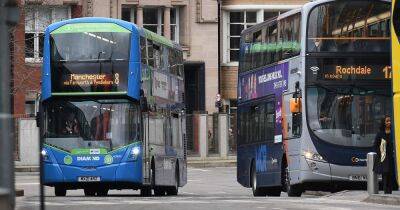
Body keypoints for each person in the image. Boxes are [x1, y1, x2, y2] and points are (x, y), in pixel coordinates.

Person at [373, 116, 397, 194]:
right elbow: (375, 145)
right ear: (384, 122)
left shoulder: (393, 132)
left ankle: (391, 190)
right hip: (384, 157)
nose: (389, 122)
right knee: (385, 174)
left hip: (392, 157)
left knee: (391, 173)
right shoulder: (380, 133)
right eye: (387, 121)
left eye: (389, 121)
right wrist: (381, 153)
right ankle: (386, 191)